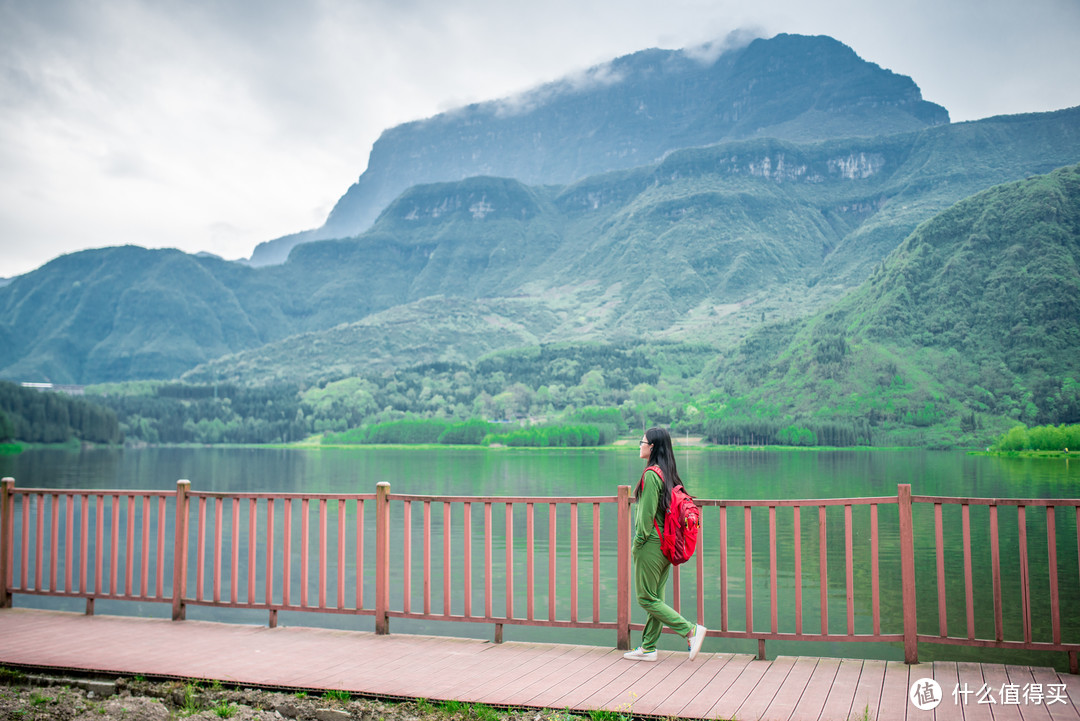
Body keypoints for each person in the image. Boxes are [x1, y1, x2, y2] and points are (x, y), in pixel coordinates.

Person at [624, 426, 706, 662]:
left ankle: (690, 630)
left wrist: (638, 542)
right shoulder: (667, 473)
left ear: (652, 447)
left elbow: (645, 516)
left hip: (650, 545)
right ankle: (648, 647)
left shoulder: (651, 474)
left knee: (645, 598)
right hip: (665, 545)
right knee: (655, 598)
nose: (639, 445)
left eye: (642, 441)